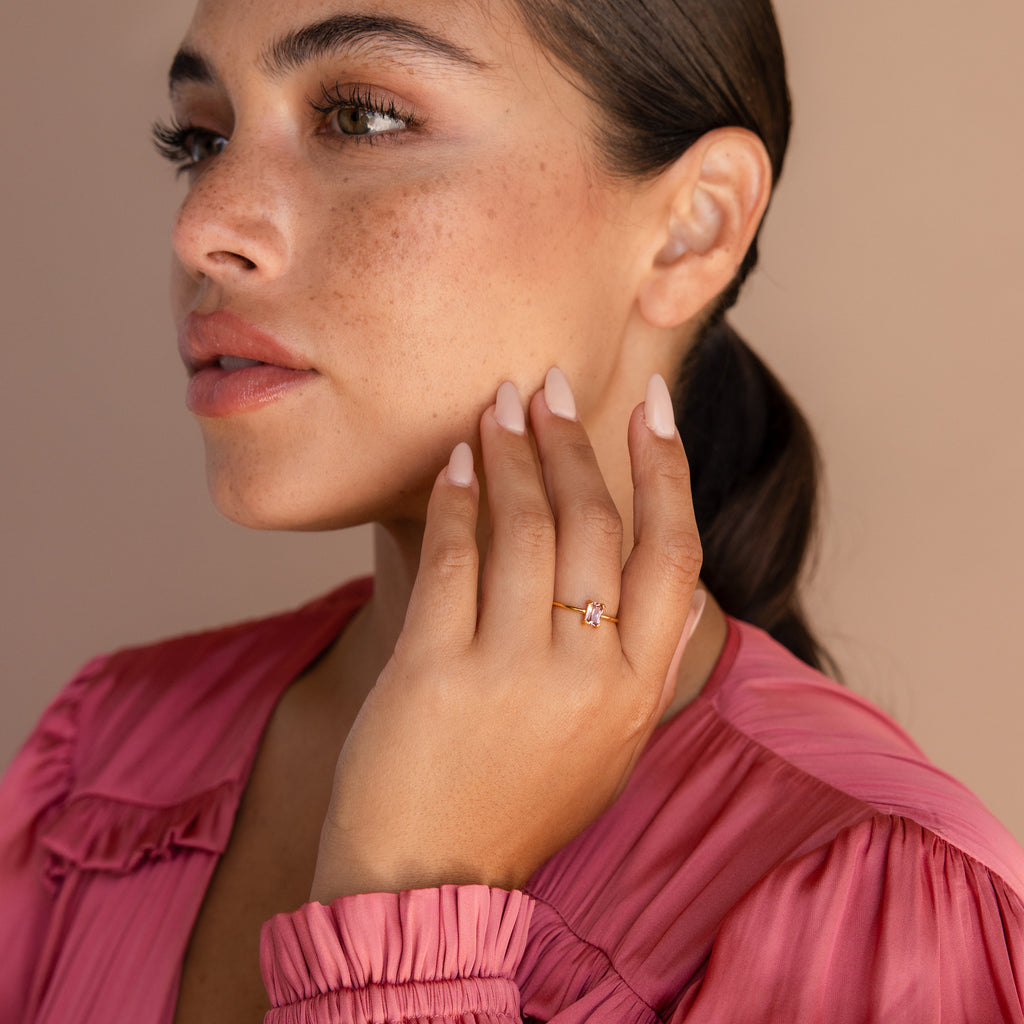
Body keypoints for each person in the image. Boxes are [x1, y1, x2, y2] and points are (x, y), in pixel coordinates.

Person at [1, 0, 1022, 1021]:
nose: (201, 228)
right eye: (201, 139)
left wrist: (402, 898)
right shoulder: (103, 755)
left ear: (691, 226)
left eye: (360, 116)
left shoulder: (880, 908)